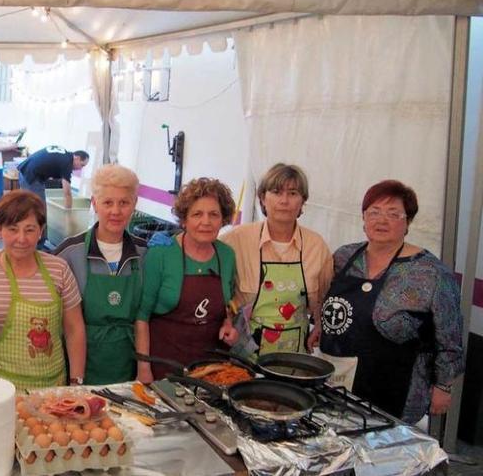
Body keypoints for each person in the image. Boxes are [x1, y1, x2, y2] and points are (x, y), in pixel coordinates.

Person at [319, 180, 463, 423]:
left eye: (393, 214)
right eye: (373, 212)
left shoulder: (430, 272)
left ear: (408, 222)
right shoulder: (344, 257)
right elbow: (326, 302)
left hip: (397, 387)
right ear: (363, 219)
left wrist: (443, 387)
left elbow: (450, 335)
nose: (381, 220)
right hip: (339, 380)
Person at [0, 190, 86, 388]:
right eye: (13, 229)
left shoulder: (59, 269)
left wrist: (77, 383)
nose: (21, 239)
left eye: (30, 229)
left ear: (41, 230)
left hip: (52, 388)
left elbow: (74, 329)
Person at [221, 164, 333, 356]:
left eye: (293, 193)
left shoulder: (316, 245)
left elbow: (325, 298)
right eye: (276, 192)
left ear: (302, 201)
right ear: (263, 198)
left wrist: (320, 326)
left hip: (294, 355)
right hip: (243, 354)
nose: (284, 200)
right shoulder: (235, 239)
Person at [136, 178, 239, 382]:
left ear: (223, 219)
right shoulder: (161, 254)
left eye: (214, 215)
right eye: (197, 214)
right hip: (163, 366)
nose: (206, 222)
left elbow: (229, 304)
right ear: (184, 219)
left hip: (211, 369)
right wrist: (143, 367)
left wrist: (228, 324)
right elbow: (142, 317)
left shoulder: (226, 255)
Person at [54, 165, 147, 385]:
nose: (116, 211)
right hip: (80, 365)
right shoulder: (68, 253)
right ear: (95, 204)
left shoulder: (145, 253)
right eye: (107, 203)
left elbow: (146, 318)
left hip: (129, 366)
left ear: (134, 205)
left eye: (124, 203)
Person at [17, 146, 89, 209]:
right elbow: (67, 193)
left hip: (24, 170)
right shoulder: (67, 163)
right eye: (82, 165)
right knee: (40, 209)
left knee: (27, 205)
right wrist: (68, 214)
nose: (80, 169)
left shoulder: (64, 154)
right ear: (77, 158)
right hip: (31, 176)